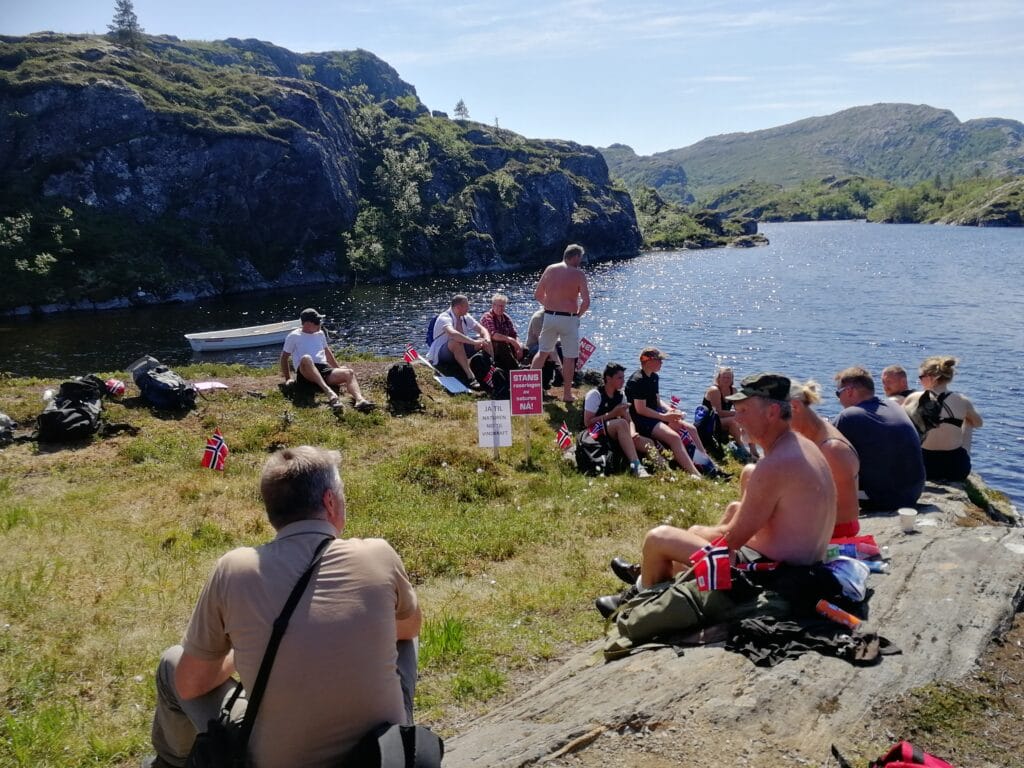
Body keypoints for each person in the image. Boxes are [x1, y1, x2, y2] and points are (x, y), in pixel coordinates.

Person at [145, 446, 421, 768]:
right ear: (330, 501)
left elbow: (190, 684)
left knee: (171, 664)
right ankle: (401, 731)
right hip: (381, 756)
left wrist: (247, 650)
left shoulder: (234, 569)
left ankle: (171, 762)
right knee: (403, 627)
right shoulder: (378, 554)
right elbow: (409, 629)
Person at [598, 373, 835, 617]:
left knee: (660, 538)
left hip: (771, 578)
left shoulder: (775, 464)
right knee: (732, 509)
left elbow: (731, 539)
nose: (736, 418)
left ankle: (636, 603)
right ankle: (649, 585)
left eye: (743, 410)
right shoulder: (804, 447)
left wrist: (696, 534)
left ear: (772, 412)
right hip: (803, 566)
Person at [833, 365, 924, 511]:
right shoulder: (892, 405)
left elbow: (823, 446)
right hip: (913, 492)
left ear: (849, 391)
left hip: (885, 498)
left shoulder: (850, 415)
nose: (839, 400)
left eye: (838, 393)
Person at [789, 379, 862, 538]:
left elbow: (848, 515)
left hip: (833, 532)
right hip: (816, 523)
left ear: (795, 407)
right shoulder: (807, 432)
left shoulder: (831, 450)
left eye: (773, 414)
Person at [624, 347, 702, 477]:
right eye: (659, 360)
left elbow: (657, 401)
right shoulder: (637, 380)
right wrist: (665, 417)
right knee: (674, 437)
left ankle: (704, 461)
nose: (662, 363)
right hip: (641, 419)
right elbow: (640, 409)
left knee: (691, 429)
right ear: (648, 361)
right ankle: (694, 473)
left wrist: (669, 410)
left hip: (655, 414)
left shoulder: (654, 377)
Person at [903, 356, 983, 481]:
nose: (919, 381)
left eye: (921, 377)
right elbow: (978, 423)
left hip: (924, 467)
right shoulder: (962, 400)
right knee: (969, 422)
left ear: (930, 377)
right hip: (956, 470)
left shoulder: (914, 398)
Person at [280, 308, 375, 413]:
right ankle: (330, 393)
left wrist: (337, 368)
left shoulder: (320, 334)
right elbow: (284, 357)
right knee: (306, 358)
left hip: (324, 369)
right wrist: (288, 378)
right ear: (307, 323)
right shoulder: (294, 336)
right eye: (317, 321)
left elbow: (327, 352)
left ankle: (360, 400)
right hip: (305, 371)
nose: (319, 324)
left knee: (349, 372)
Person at [531, 244, 590, 403]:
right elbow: (586, 302)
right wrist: (577, 316)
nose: (580, 261)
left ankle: (530, 390)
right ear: (575, 256)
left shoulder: (550, 269)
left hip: (550, 316)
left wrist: (549, 306)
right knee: (570, 358)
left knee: (542, 352)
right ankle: (567, 394)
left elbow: (537, 294)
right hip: (569, 318)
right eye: (580, 258)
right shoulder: (578, 274)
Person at [583, 362, 652, 478]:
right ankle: (636, 467)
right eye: (619, 378)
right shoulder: (595, 394)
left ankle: (664, 469)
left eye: (623, 378)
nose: (623, 381)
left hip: (613, 429)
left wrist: (633, 432)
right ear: (608, 378)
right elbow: (587, 423)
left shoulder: (621, 396)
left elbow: (629, 420)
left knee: (648, 442)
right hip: (593, 431)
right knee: (621, 423)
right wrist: (613, 413)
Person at [427, 294, 492, 387]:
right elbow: (453, 334)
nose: (469, 308)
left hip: (461, 348)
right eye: (467, 306)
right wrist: (474, 342)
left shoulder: (465, 316)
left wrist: (487, 339)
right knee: (456, 342)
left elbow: (482, 329)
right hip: (441, 353)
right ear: (458, 307)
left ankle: (491, 369)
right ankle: (471, 377)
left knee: (484, 341)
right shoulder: (444, 317)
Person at [700, 366, 757, 459]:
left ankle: (753, 451)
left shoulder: (733, 390)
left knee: (747, 419)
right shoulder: (714, 390)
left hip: (722, 420)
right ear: (718, 378)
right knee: (733, 421)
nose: (726, 380)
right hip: (710, 422)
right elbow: (719, 413)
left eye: (729, 377)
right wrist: (737, 414)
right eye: (724, 377)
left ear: (732, 379)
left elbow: (739, 408)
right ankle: (742, 449)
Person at [480, 293, 525, 372]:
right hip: (491, 347)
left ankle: (518, 366)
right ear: (493, 305)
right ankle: (516, 369)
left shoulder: (506, 317)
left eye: (503, 306)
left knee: (524, 349)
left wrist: (518, 345)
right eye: (499, 306)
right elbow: (493, 335)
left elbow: (514, 334)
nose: (501, 308)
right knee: (502, 345)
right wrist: (511, 340)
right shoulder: (487, 317)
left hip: (506, 346)